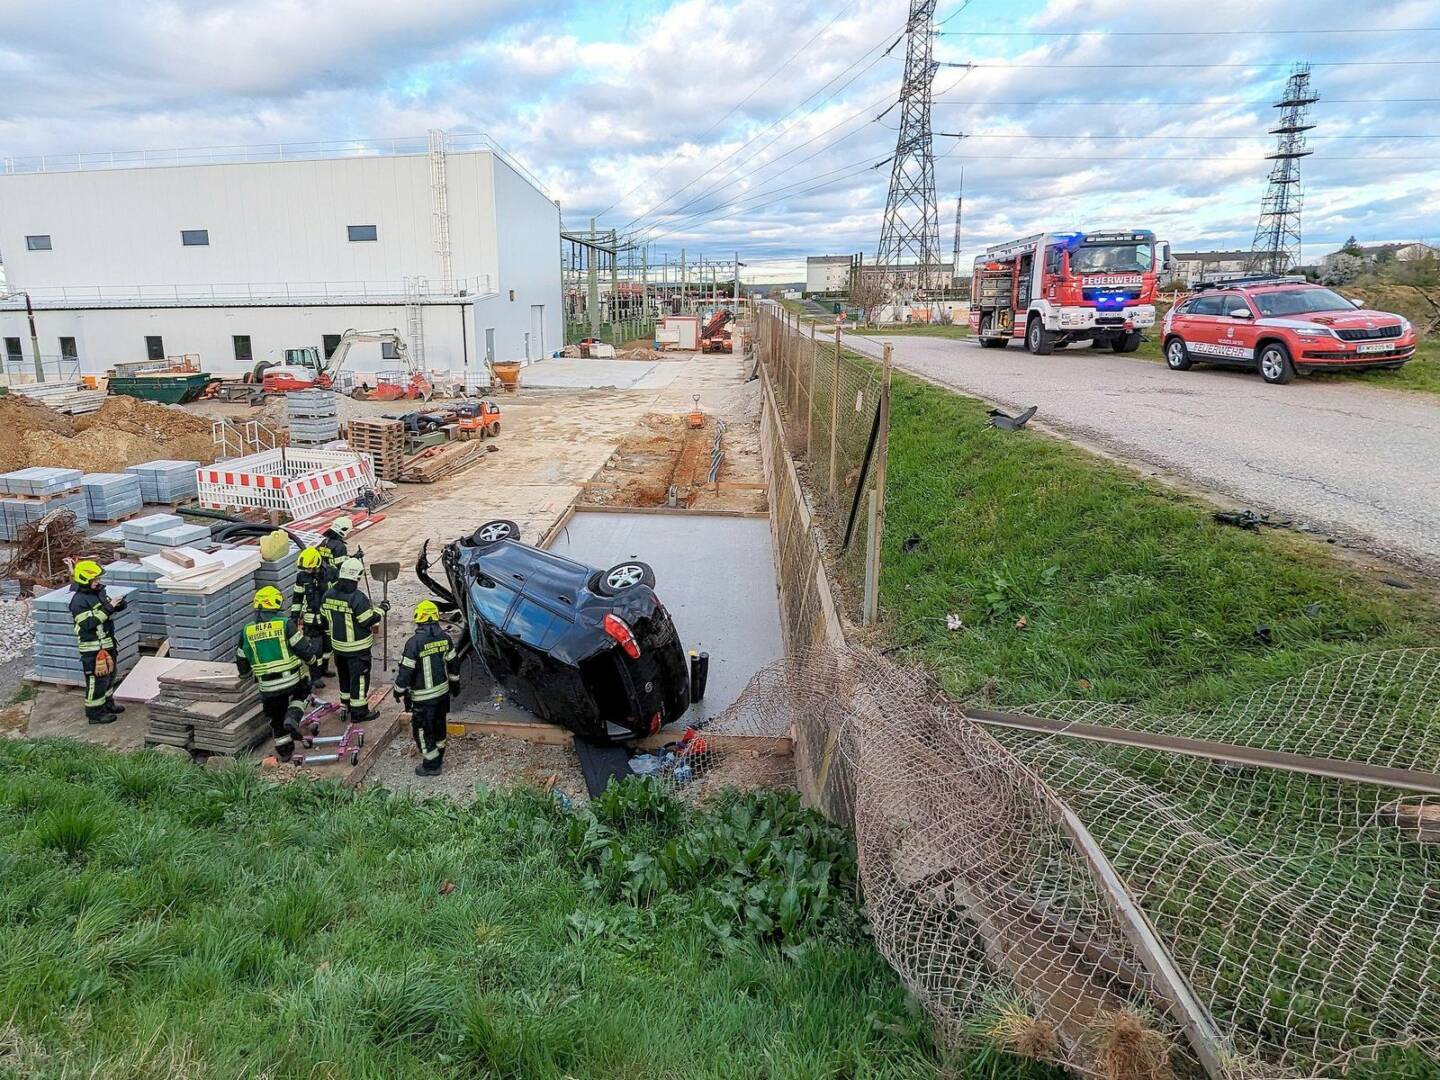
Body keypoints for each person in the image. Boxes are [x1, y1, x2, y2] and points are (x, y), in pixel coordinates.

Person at [235, 586, 313, 762]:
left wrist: (245, 674)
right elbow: (302, 648)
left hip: (267, 686)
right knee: (304, 690)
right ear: (276, 603)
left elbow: (241, 658)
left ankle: (285, 752)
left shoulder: (247, 631)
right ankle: (293, 716)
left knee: (276, 717)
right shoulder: (285, 624)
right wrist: (312, 661)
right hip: (291, 680)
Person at [393, 600, 460, 776]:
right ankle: (439, 754)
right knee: (439, 725)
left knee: (423, 730)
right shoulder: (445, 638)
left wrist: (398, 690)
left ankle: (431, 765)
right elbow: (454, 664)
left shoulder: (414, 643)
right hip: (442, 695)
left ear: (418, 618)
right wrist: (455, 685)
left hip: (423, 698)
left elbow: (406, 671)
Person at [321, 557, 383, 723]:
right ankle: (359, 713)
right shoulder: (358, 598)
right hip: (357, 650)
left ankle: (346, 705)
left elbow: (324, 619)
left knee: (344, 677)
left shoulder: (328, 595)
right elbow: (366, 621)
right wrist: (381, 611)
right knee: (359, 680)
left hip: (338, 648)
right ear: (357, 576)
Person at [69, 560, 127, 725]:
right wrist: (109, 607)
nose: (98, 581)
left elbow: (107, 609)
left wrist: (118, 605)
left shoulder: (98, 593)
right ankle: (95, 713)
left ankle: (107, 704)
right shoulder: (78, 601)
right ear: (84, 579)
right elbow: (88, 623)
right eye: (95, 579)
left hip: (107, 644)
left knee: (109, 677)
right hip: (92, 648)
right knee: (96, 681)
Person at [290, 546, 332, 687]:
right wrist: (294, 618)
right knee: (315, 649)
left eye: (309, 568)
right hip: (311, 620)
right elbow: (297, 598)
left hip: (327, 618)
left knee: (328, 646)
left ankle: (324, 669)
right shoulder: (302, 577)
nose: (307, 571)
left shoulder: (330, 573)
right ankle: (315, 677)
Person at [317, 516, 353, 581]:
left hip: (321, 575)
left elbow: (332, 558)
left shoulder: (324, 540)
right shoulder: (340, 546)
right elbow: (342, 565)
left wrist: (354, 557)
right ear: (344, 530)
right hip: (333, 577)